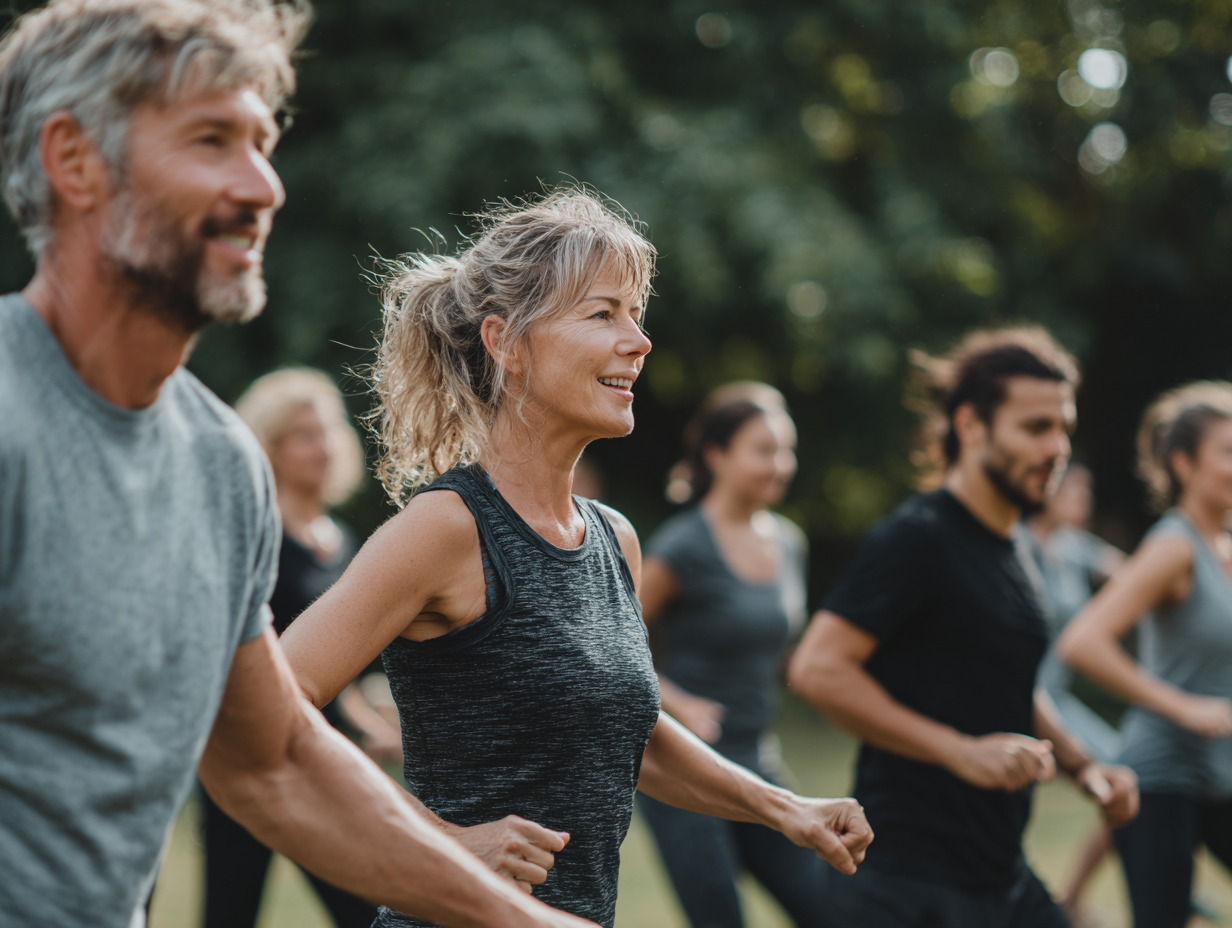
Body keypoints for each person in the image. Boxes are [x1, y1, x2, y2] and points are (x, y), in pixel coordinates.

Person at [0, 3, 601, 926]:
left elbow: (272, 761)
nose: (263, 186)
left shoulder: (220, 464)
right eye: (212, 140)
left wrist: (525, 920)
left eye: (263, 143)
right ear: (74, 161)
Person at [279, 189, 875, 928]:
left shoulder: (614, 539)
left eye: (637, 313)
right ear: (506, 343)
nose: (640, 340)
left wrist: (787, 809)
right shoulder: (447, 528)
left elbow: (632, 738)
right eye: (603, 314)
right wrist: (444, 843)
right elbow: (275, 703)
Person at [787, 328, 1139, 928]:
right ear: (971, 424)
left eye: (1063, 428)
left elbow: (1005, 679)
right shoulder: (918, 537)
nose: (1057, 448)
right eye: (1035, 428)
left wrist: (1085, 766)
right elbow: (817, 669)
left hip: (999, 877)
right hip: (908, 884)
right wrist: (959, 751)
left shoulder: (1014, 545)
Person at [198, 369, 387, 928]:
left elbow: (333, 669)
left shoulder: (342, 541)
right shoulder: (253, 536)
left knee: (366, 913)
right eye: (304, 435)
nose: (322, 446)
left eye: (327, 430)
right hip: (251, 756)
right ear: (271, 446)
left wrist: (369, 727)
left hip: (324, 766)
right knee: (230, 915)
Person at [637, 386, 828, 928]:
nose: (781, 465)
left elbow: (784, 650)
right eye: (764, 450)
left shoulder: (789, 542)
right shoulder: (682, 546)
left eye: (786, 451)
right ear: (716, 455)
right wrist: (677, 701)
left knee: (829, 908)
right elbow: (609, 644)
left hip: (757, 756)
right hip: (686, 765)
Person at [1059, 382, 1232, 928]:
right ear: (1182, 463)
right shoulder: (1174, 546)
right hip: (1161, 775)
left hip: (1221, 771)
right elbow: (1083, 641)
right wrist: (1182, 706)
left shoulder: (1223, 547)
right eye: (1228, 452)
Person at [1021, 464, 1125, 921]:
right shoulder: (1017, 543)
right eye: (1074, 489)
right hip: (1016, 697)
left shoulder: (1075, 548)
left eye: (1087, 489)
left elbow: (1135, 575)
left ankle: (1074, 898)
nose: (1084, 499)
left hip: (1056, 701)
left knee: (1127, 779)